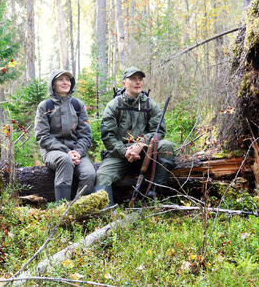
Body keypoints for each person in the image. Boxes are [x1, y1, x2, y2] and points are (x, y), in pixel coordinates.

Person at [94, 67, 175, 206]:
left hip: (145, 150)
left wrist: (141, 143)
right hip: (119, 153)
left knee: (166, 146)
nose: (138, 82)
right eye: (133, 79)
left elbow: (158, 131)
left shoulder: (150, 105)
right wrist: (125, 151)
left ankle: (154, 194)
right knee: (102, 176)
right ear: (124, 83)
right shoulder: (114, 105)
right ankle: (106, 214)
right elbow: (108, 136)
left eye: (140, 79)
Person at [34, 69, 96, 203]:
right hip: (52, 151)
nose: (65, 82)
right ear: (53, 84)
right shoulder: (45, 106)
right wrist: (67, 152)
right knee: (65, 160)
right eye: (60, 79)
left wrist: (78, 153)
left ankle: (79, 210)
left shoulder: (78, 105)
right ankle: (62, 210)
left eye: (68, 79)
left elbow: (85, 135)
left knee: (90, 174)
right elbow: (42, 136)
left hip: (76, 151)